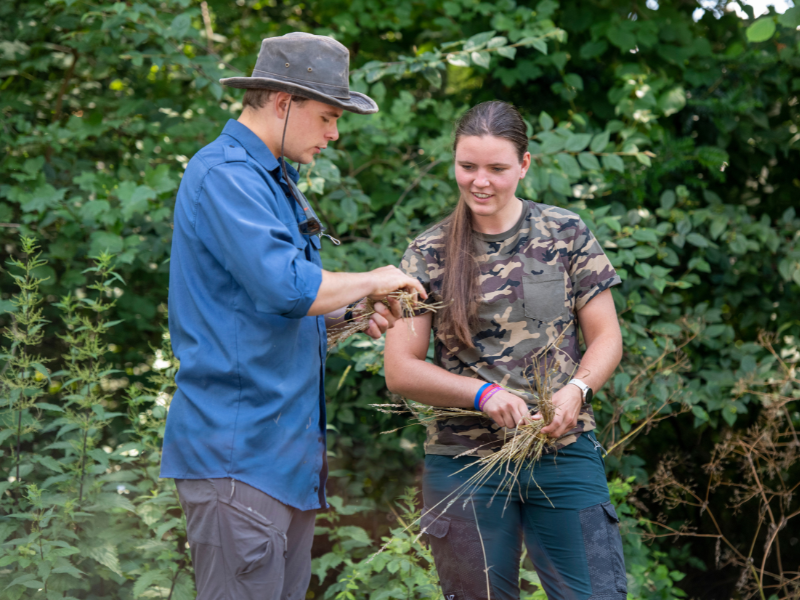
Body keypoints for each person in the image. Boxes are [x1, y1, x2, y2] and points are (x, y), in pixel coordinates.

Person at [160, 32, 426, 600]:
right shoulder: (226, 174)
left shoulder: (273, 179)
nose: (335, 133)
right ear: (284, 102)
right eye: (328, 116)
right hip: (238, 458)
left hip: (282, 465)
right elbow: (286, 287)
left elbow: (256, 310)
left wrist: (347, 312)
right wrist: (375, 278)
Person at [384, 101, 625, 600]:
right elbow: (401, 369)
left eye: (496, 168)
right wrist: (483, 394)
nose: (480, 181)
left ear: (524, 165)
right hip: (463, 461)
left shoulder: (566, 234)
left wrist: (578, 390)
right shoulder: (428, 253)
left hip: (562, 453)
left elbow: (607, 338)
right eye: (467, 166)